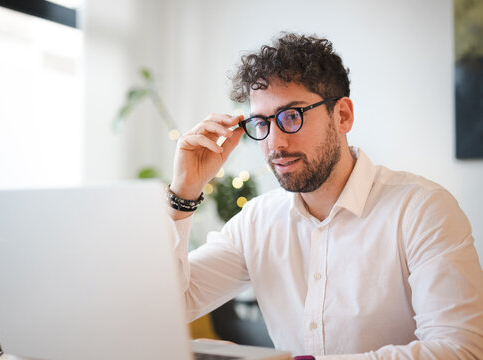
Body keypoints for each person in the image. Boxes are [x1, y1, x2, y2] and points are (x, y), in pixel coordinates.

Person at [166, 33, 483, 359]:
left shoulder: (422, 209)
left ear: (342, 115)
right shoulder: (257, 222)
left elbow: (461, 351)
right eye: (261, 122)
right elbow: (171, 306)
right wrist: (184, 193)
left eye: (292, 116)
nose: (275, 144)